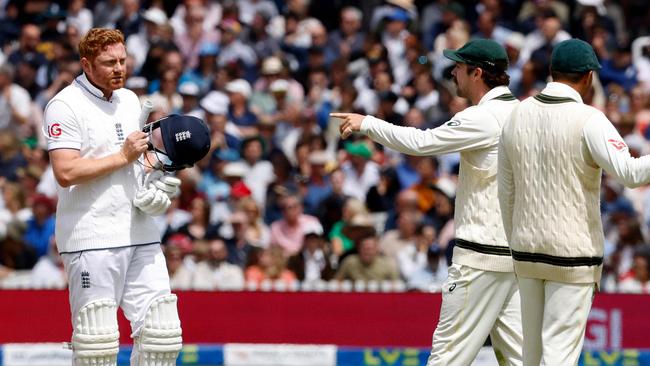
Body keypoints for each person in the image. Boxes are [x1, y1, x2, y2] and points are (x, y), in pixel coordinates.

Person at [332, 39, 523, 365]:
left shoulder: (483, 117)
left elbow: (423, 143)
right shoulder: (524, 113)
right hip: (518, 259)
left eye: (459, 67)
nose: (453, 73)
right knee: (522, 360)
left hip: (479, 259)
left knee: (446, 359)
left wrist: (369, 123)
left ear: (477, 73)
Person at [498, 39, 650, 365]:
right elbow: (631, 173)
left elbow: (505, 191)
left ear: (552, 72)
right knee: (559, 356)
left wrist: (517, 241)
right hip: (571, 256)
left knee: (532, 357)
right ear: (588, 77)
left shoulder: (517, 113)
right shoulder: (589, 119)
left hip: (526, 250)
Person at [42, 28, 183, 366]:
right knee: (97, 346)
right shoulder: (63, 105)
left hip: (141, 233)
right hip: (91, 236)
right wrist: (124, 157)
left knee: (162, 336)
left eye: (122, 61)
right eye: (109, 63)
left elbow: (138, 161)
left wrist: (156, 179)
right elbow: (66, 172)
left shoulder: (129, 100)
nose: (119, 69)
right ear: (86, 64)